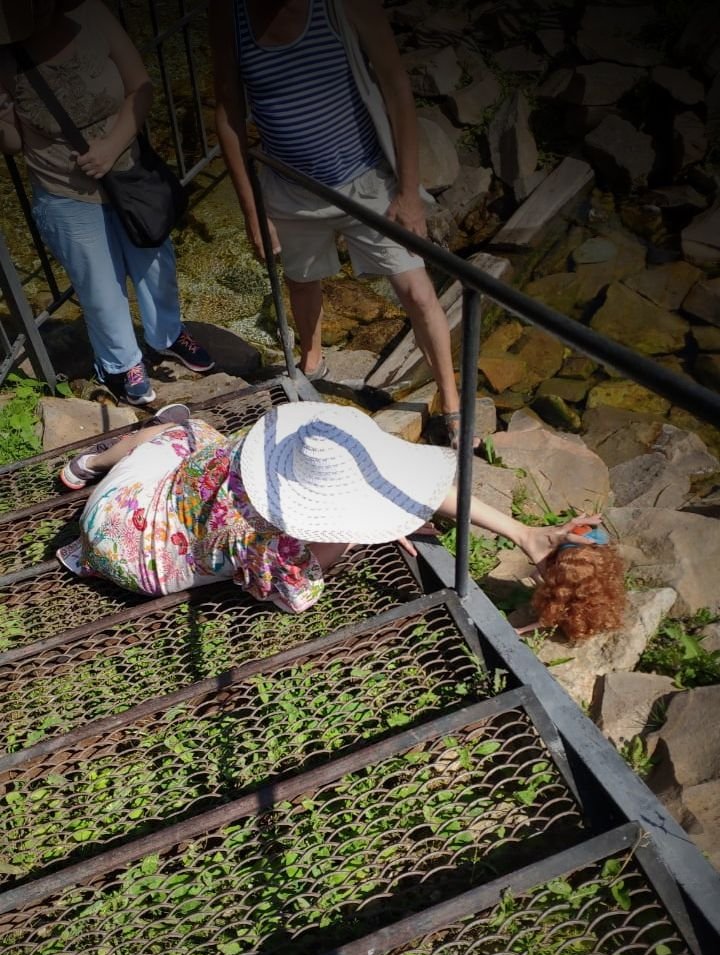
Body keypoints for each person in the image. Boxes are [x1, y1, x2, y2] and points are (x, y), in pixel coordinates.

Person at [56, 399, 606, 619]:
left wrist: (520, 530)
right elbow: (297, 597)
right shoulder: (281, 543)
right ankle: (93, 464)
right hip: (131, 557)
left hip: (129, 513)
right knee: (190, 429)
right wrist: (356, 534)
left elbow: (388, 478)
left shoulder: (251, 452)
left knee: (189, 431)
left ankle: (89, 466)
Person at [208, 0, 474, 447]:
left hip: (366, 179)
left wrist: (409, 193)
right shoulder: (228, 14)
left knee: (417, 290)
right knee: (302, 280)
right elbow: (228, 109)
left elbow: (395, 87)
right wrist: (254, 211)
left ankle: (452, 402)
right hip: (289, 186)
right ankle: (312, 364)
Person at [0, 0, 213, 406]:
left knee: (155, 264)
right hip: (64, 190)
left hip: (130, 174)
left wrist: (110, 147)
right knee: (100, 288)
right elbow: (13, 143)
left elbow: (141, 87)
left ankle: (167, 335)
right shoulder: (6, 61)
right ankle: (122, 363)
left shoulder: (94, 17)